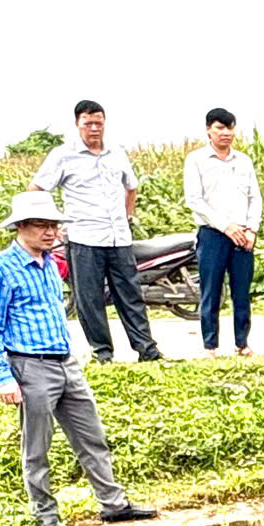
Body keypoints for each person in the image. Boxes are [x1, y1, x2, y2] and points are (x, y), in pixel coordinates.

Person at [0, 190, 159, 526]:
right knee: (36, 448)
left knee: (92, 437)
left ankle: (113, 503)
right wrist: (2, 376)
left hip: (65, 363)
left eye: (54, 225)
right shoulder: (0, 269)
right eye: (41, 225)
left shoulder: (50, 265)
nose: (50, 232)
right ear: (20, 227)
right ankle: (46, 516)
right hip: (30, 366)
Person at [34, 99, 159, 363]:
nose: (94, 128)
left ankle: (147, 350)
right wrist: (52, 225)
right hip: (83, 238)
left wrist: (128, 214)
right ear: (77, 124)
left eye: (98, 123)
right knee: (90, 300)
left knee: (131, 295)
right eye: (88, 123)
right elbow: (37, 189)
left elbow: (131, 186)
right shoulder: (63, 155)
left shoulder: (116, 152)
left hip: (119, 238)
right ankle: (103, 353)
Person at [184, 108, 262, 356]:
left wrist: (252, 229)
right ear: (208, 130)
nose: (225, 133)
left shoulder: (244, 161)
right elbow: (194, 200)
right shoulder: (196, 160)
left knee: (242, 292)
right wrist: (225, 226)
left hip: (243, 234)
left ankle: (242, 343)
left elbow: (255, 197)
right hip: (213, 234)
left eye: (230, 128)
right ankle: (210, 346)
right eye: (220, 128)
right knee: (211, 291)